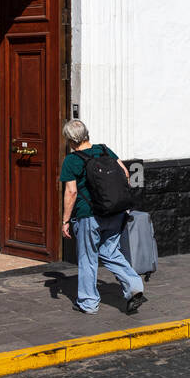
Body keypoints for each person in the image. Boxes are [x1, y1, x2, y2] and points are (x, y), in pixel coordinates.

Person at [58, 119, 145, 316]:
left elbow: (71, 192)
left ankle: (88, 303)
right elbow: (124, 173)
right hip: (115, 212)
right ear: (87, 134)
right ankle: (133, 285)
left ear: (71, 141)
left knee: (88, 258)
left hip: (88, 216)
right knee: (110, 251)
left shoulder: (71, 160)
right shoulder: (105, 150)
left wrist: (65, 221)